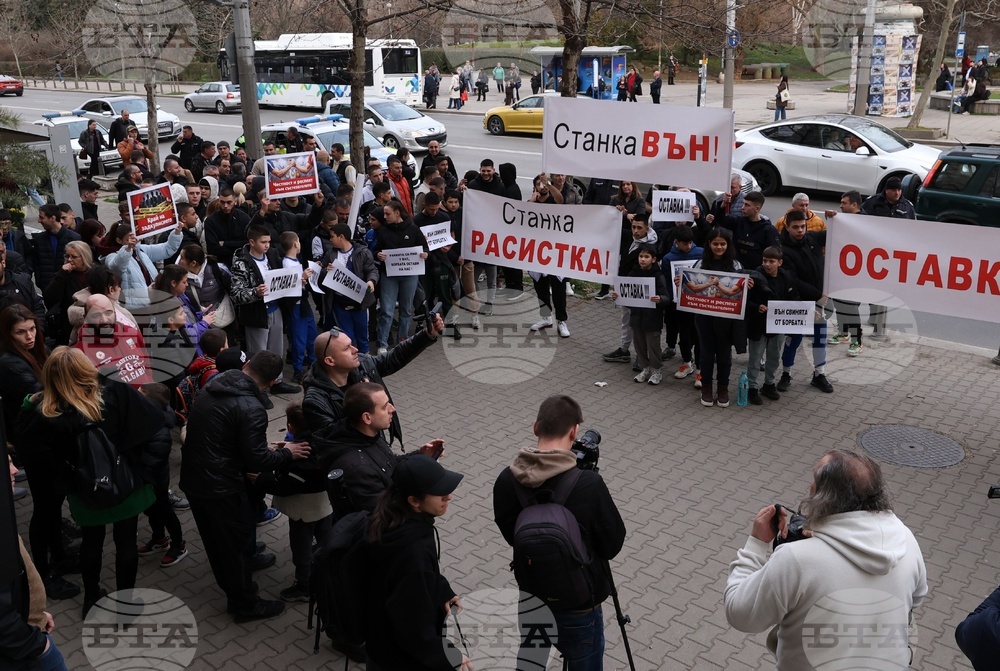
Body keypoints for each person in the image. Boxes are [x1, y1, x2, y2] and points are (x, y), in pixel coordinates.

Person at [725, 450, 927, 670]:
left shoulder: (796, 560)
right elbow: (914, 601)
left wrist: (756, 544)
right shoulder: (906, 540)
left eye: (814, 479)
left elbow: (741, 614)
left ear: (823, 496)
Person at [17, 347, 166, 617]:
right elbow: (154, 422)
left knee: (92, 543)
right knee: (126, 543)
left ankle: (91, 600)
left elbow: (23, 440)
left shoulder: (47, 413)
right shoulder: (115, 391)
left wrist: (29, 402)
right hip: (126, 483)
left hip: (84, 488)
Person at [493, 395, 626, 671]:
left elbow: (512, 535)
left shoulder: (507, 480)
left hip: (533, 595)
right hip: (580, 602)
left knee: (530, 663)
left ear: (535, 427)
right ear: (575, 431)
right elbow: (612, 545)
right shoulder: (589, 483)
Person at [180, 351, 311, 623]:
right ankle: (244, 603)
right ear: (274, 381)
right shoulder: (251, 407)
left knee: (222, 541)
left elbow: (227, 437)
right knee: (232, 547)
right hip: (221, 487)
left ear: (247, 365)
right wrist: (289, 453)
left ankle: (247, 563)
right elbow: (257, 460)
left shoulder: (215, 385)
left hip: (197, 479)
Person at [363, 454, 471, 671]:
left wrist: (442, 591)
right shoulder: (413, 551)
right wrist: (449, 656)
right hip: (399, 657)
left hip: (379, 642)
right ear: (413, 501)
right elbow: (412, 628)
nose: (448, 496)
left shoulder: (390, 515)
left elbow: (417, 579)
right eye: (439, 492)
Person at [301, 314, 444, 439]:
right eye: (347, 348)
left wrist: (427, 335)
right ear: (330, 361)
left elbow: (393, 358)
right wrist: (365, 405)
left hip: (375, 449)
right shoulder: (315, 400)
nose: (355, 350)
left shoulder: (363, 364)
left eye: (351, 344)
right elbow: (332, 438)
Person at [1, 444, 71, 671]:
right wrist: (37, 644)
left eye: (12, 462)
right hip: (24, 649)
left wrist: (34, 614)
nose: (15, 471)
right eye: (6, 465)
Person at [688, 228, 750, 407]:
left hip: (726, 318)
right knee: (706, 354)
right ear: (709, 244)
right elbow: (690, 286)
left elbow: (737, 291)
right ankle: (706, 386)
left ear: (728, 245)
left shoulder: (736, 265)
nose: (719, 247)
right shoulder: (700, 263)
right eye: (715, 243)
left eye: (723, 244)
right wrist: (681, 283)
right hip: (704, 316)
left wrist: (748, 285)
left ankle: (722, 388)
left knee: (724, 355)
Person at [777, 209, 832, 394]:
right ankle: (786, 373)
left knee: (820, 339)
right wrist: (818, 295)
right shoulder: (782, 250)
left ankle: (819, 374)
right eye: (795, 227)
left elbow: (836, 232)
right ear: (787, 226)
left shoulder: (813, 238)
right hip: (799, 302)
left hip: (819, 302)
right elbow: (794, 281)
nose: (800, 230)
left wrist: (835, 218)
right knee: (793, 339)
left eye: (803, 226)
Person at [135, 383, 187, 568]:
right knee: (151, 510)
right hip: (147, 480)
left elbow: (151, 461)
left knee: (163, 510)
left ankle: (178, 544)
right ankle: (159, 539)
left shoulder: (160, 432)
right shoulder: (147, 419)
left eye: (139, 395)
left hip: (155, 480)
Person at [744, 246, 802, 405]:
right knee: (755, 357)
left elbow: (793, 298)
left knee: (774, 356)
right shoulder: (754, 277)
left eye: (771, 261)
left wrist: (804, 312)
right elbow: (745, 300)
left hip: (778, 324)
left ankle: (769, 384)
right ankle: (752, 388)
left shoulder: (786, 278)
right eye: (765, 260)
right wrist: (757, 307)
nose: (767, 264)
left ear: (780, 262)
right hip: (758, 324)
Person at [373, 201, 428, 355]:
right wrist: (378, 254)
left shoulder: (413, 229)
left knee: (406, 309)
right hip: (390, 275)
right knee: (386, 310)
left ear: (397, 213)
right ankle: (382, 343)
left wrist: (425, 254)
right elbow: (376, 249)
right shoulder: (383, 231)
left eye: (387, 214)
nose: (385, 217)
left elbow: (424, 246)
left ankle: (403, 339)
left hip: (409, 274)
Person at [611, 243, 668, 384]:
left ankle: (657, 370)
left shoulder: (658, 276)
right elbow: (629, 299)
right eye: (641, 256)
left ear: (653, 259)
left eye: (646, 256)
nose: (643, 259)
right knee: (639, 345)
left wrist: (660, 299)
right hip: (636, 318)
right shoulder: (632, 274)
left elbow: (667, 297)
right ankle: (645, 368)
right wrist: (618, 297)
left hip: (652, 319)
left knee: (653, 346)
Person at [825, 191, 864, 356]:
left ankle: (857, 341)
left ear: (854, 205)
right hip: (841, 270)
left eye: (844, 203)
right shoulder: (841, 220)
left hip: (858, 273)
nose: (840, 205)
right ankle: (843, 333)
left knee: (851, 307)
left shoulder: (867, 222)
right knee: (840, 302)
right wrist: (832, 219)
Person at [661, 224, 702, 380]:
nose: (688, 246)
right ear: (677, 242)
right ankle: (687, 362)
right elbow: (666, 281)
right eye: (685, 243)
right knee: (684, 335)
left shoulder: (700, 253)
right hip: (679, 304)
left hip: (697, 304)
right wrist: (672, 297)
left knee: (698, 336)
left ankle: (700, 369)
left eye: (690, 242)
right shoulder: (668, 258)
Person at [28, 205, 81, 296]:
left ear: (52, 218)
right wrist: (40, 282)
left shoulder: (74, 238)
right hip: (48, 288)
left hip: (69, 288)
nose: (39, 221)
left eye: (41, 217)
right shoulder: (39, 240)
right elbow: (36, 263)